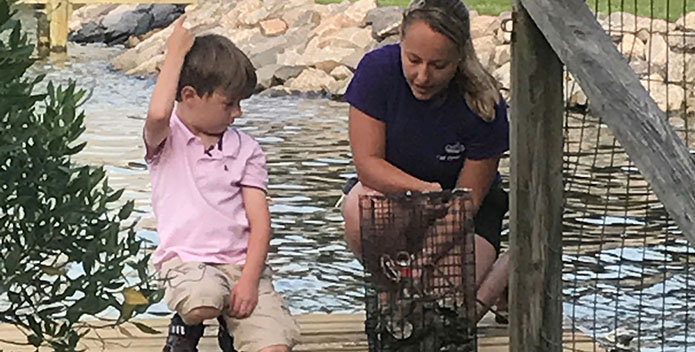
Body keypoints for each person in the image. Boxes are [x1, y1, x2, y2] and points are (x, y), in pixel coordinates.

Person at [341, 0, 510, 323]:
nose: (422, 76)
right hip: (400, 199)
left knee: (439, 306)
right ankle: (390, 292)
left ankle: (503, 272)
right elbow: (367, 164)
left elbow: (467, 202)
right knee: (358, 207)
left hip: (464, 214)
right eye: (413, 60)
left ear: (460, 58)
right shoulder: (376, 71)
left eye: (439, 65)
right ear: (401, 43)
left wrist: (421, 264)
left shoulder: (486, 105)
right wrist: (426, 190)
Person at [143, 15, 300, 352]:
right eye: (229, 103)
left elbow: (260, 223)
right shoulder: (167, 140)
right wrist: (175, 53)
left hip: (240, 265)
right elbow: (157, 114)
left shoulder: (246, 149)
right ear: (189, 95)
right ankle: (185, 332)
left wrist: (249, 281)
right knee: (204, 301)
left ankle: (234, 329)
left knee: (275, 346)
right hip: (187, 261)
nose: (238, 113)